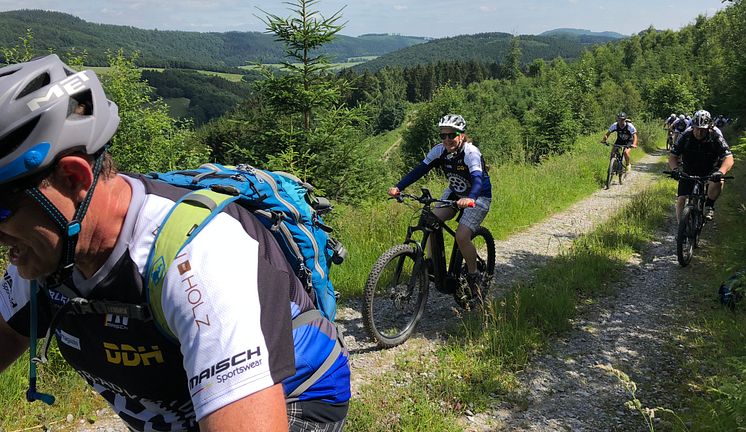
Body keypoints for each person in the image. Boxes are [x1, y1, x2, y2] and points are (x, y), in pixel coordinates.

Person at [0, 55, 350, 432]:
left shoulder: (202, 257)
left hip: (295, 394)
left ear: (73, 178)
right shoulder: (43, 255)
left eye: (1, 209)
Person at [387, 114, 491, 300]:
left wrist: (471, 198)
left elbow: (476, 179)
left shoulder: (470, 153)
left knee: (461, 236)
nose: (447, 140)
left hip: (478, 196)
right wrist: (399, 187)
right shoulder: (439, 151)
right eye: (443, 136)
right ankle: (433, 264)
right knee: (431, 220)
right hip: (454, 193)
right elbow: (419, 170)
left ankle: (474, 275)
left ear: (461, 135)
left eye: (451, 135)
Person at [668, 109, 734, 222]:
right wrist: (675, 169)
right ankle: (680, 230)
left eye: (702, 130)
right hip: (689, 169)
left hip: (710, 170)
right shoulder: (686, 136)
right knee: (681, 199)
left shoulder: (716, 137)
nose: (699, 132)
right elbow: (673, 156)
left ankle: (709, 205)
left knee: (719, 181)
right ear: (693, 126)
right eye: (697, 129)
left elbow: (729, 158)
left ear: (709, 127)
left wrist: (721, 172)